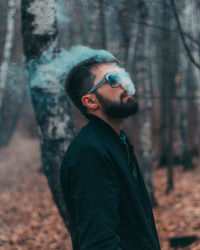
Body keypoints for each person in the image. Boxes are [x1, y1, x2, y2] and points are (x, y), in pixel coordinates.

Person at [60, 55, 161, 250]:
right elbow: (99, 243)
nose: (124, 83)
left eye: (123, 76)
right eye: (113, 80)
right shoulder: (90, 153)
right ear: (90, 101)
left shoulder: (116, 142)